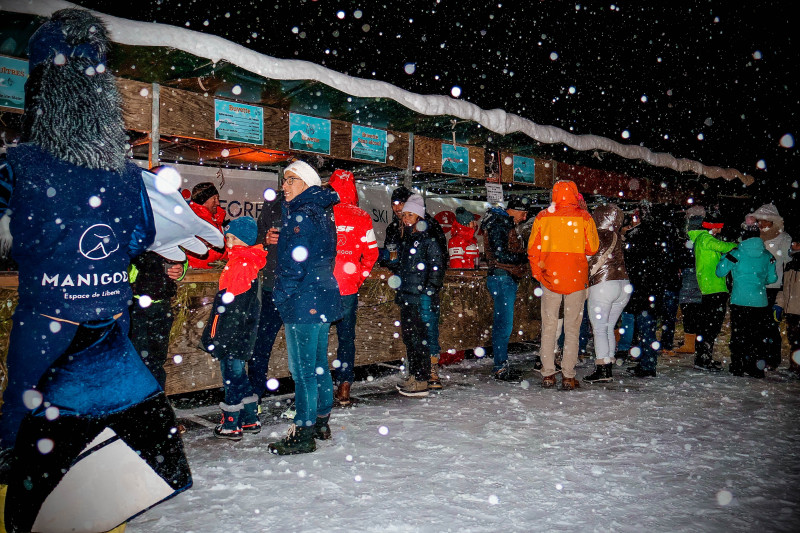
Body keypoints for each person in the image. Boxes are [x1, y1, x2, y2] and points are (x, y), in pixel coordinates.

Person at [0, 9, 193, 531]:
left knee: (28, 482)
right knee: (104, 495)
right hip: (114, 343)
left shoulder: (18, 166)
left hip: (42, 345)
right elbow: (139, 238)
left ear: (41, 91)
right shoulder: (129, 179)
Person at [270, 160, 342, 455]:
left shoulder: (301, 215)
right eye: (284, 181)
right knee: (318, 364)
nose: (283, 186)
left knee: (303, 371)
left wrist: (281, 294)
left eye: (290, 180)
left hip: (304, 299)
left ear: (306, 184)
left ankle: (303, 430)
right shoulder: (323, 213)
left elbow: (293, 264)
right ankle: (321, 420)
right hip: (322, 295)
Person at [528, 180, 599, 390]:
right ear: (576, 194)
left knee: (549, 327)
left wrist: (538, 273)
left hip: (550, 279)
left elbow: (533, 249)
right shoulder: (584, 217)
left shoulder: (542, 217)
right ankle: (568, 375)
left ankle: (548, 374)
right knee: (572, 329)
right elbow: (593, 248)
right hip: (576, 279)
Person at [201, 216, 267, 439]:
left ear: (242, 240)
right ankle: (250, 418)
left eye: (231, 238)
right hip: (242, 333)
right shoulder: (248, 261)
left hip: (232, 334)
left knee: (231, 376)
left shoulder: (240, 264)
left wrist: (217, 336)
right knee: (238, 375)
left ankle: (231, 423)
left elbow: (229, 306)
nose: (227, 242)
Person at [329, 169, 379, 406]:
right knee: (346, 338)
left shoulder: (324, 212)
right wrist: (358, 277)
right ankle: (345, 385)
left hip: (323, 287)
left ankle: (318, 387)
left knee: (318, 338)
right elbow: (372, 253)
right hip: (348, 288)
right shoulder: (362, 216)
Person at [390, 194, 446, 396]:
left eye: (410, 214)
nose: (406, 218)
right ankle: (416, 375)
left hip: (419, 296)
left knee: (419, 337)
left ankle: (422, 379)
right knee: (411, 338)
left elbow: (437, 267)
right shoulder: (409, 238)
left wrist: (429, 290)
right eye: (404, 214)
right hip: (408, 295)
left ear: (419, 217)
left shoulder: (426, 239)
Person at [715, 223, 777, 378]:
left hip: (740, 299)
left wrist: (725, 257)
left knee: (739, 335)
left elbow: (720, 271)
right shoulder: (767, 255)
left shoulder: (736, 253)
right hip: (760, 301)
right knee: (757, 336)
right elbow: (773, 278)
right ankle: (756, 368)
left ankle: (738, 365)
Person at [481, 196, 530, 380]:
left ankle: (501, 364)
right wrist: (525, 257)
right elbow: (501, 254)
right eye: (523, 213)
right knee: (504, 324)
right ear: (515, 209)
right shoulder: (500, 222)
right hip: (503, 277)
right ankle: (500, 366)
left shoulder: (498, 220)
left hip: (502, 277)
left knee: (503, 324)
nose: (524, 217)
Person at [583, 204, 630, 383]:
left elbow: (586, 258)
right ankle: (608, 362)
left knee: (600, 328)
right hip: (623, 284)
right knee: (609, 326)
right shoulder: (619, 237)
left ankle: (603, 368)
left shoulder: (596, 236)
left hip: (603, 284)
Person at [687, 212, 737, 371]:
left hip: (710, 288)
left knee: (707, 325)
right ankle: (703, 359)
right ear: (715, 227)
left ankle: (703, 357)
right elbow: (723, 247)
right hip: (714, 287)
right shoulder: (706, 239)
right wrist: (737, 245)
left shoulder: (702, 238)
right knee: (711, 326)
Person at [248, 189, 284, 404]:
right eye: (287, 178)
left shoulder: (312, 206)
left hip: (299, 290)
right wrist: (264, 240)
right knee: (260, 345)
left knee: (302, 351)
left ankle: (305, 405)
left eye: (292, 179)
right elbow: (256, 237)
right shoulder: (273, 203)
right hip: (272, 286)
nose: (287, 183)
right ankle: (254, 398)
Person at [747, 203, 793, 370]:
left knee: (771, 325)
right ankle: (759, 356)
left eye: (764, 221)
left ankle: (772, 359)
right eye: (759, 221)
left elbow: (789, 262)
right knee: (757, 325)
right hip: (757, 286)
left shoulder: (784, 238)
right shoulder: (755, 238)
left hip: (774, 286)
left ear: (773, 221)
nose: (760, 224)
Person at [665, 214, 705, 356]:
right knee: (697, 313)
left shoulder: (690, 241)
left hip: (689, 279)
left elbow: (682, 259)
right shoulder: (706, 239)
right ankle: (694, 342)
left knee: (689, 312)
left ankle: (690, 343)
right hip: (702, 280)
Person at [774, 237, 800, 375]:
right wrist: (779, 304)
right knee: (794, 340)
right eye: (794, 243)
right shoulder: (789, 265)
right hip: (791, 311)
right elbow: (784, 288)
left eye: (798, 243)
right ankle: (795, 367)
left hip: (797, 308)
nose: (794, 245)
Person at [186, 181, 227, 269]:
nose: (218, 203)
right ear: (203, 200)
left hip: (211, 273)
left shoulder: (215, 220)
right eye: (214, 199)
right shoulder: (195, 221)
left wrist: (226, 260)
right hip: (197, 275)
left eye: (218, 198)